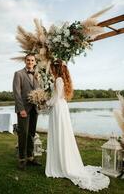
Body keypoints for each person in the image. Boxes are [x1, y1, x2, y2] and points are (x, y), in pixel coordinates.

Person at [45, 60, 110, 191]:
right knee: (63, 134)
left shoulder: (58, 80)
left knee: (59, 134)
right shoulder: (62, 80)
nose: (50, 70)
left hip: (58, 108)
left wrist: (45, 102)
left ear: (56, 69)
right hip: (62, 108)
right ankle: (62, 160)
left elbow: (55, 98)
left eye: (52, 68)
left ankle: (61, 164)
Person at [13, 53, 41, 170]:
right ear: (25, 61)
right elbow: (16, 92)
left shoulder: (38, 75)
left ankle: (30, 157)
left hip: (34, 108)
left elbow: (39, 90)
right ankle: (22, 159)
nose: (30, 62)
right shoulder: (18, 74)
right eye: (28, 60)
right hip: (24, 110)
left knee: (31, 134)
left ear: (35, 62)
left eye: (32, 60)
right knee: (23, 134)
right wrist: (21, 109)